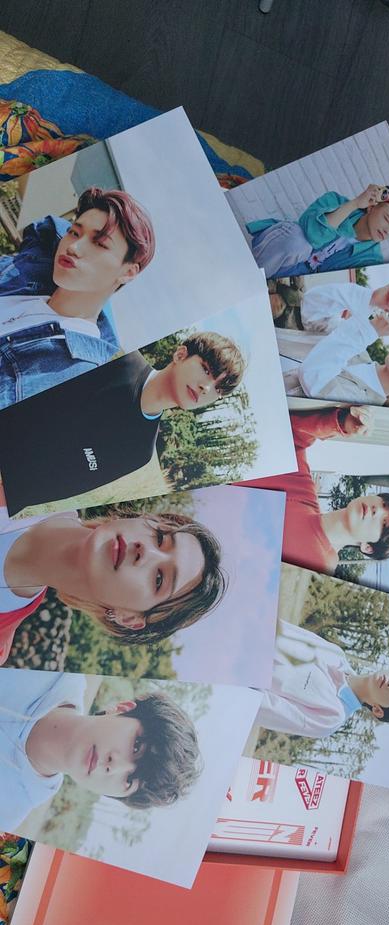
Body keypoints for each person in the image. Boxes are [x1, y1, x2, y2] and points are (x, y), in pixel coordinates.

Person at [0, 330, 245, 515]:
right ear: (180, 354)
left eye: (218, 389)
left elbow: (49, 488)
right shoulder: (114, 361)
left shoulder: (139, 452)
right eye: (206, 370)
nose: (206, 388)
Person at [0, 502, 226, 665]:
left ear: (129, 618)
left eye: (159, 579)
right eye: (160, 537)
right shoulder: (42, 477)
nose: (146, 551)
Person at [0, 186, 155, 409]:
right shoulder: (27, 272)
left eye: (100, 243)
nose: (73, 247)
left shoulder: (71, 369)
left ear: (128, 272)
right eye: (74, 232)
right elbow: (47, 227)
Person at [0, 668, 201, 829]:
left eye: (129, 781)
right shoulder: (53, 669)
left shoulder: (8, 813)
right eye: (136, 746)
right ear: (123, 708)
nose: (114, 767)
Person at [240, 405, 389, 574]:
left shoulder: (318, 568)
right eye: (384, 504)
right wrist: (342, 423)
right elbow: (288, 435)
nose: (377, 510)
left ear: (368, 547)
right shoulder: (302, 490)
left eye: (384, 524)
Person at [257, 618, 389, 739]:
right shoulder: (337, 654)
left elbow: (264, 708)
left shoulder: (332, 718)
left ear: (378, 710)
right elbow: (282, 628)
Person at [246, 184, 389, 278]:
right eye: (387, 219)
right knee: (298, 241)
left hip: (296, 282)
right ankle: (248, 277)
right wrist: (355, 204)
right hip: (279, 254)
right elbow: (313, 235)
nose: (388, 231)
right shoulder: (335, 201)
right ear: (371, 207)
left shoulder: (373, 261)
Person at [297, 322, 389, 405]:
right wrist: (372, 299)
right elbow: (313, 313)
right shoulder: (358, 349)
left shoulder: (359, 406)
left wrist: (370, 331)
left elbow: (311, 377)